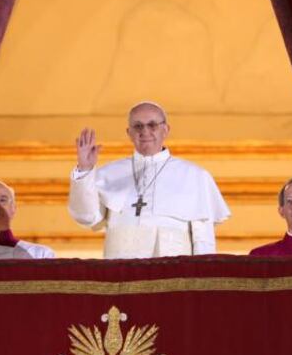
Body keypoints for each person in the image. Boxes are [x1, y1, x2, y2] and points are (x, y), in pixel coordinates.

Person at [68, 102, 230, 258]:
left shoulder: (195, 176)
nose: (145, 131)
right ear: (129, 133)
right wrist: (85, 170)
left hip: (173, 274)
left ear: (165, 130)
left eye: (152, 125)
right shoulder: (107, 173)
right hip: (121, 271)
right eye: (138, 126)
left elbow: (203, 239)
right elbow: (86, 217)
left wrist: (202, 278)